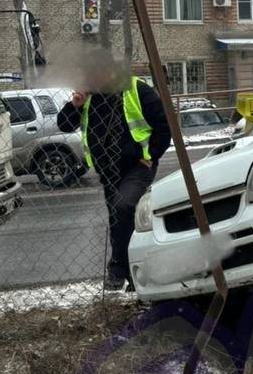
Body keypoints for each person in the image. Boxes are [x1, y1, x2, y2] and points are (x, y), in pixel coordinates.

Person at [57, 50, 171, 290]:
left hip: (137, 167)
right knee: (118, 218)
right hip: (107, 170)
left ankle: (127, 270)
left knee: (124, 206)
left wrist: (151, 156)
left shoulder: (135, 89)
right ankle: (124, 272)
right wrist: (74, 105)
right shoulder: (88, 96)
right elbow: (65, 125)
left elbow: (164, 124)